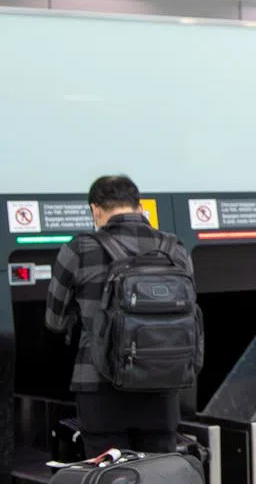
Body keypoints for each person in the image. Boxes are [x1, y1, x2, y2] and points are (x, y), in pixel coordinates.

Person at [45, 175, 194, 458]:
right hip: (162, 386)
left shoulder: (79, 248)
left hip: (99, 385)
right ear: (139, 207)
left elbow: (54, 321)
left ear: (95, 210)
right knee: (159, 478)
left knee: (109, 481)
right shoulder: (174, 249)